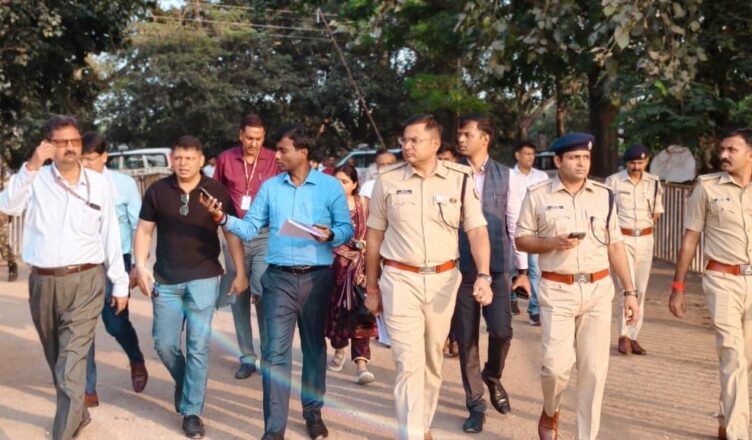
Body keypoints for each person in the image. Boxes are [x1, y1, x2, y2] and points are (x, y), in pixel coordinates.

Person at [201, 125, 354, 440]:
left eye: (283, 150)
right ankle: (274, 429)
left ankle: (313, 413)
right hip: (278, 280)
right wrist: (222, 219)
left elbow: (346, 228)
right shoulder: (270, 188)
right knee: (274, 353)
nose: (277, 156)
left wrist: (331, 234)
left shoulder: (329, 187)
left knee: (313, 349)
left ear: (303, 152)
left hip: (317, 279)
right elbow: (251, 227)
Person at [0, 115, 129, 440]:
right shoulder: (35, 179)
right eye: (62, 142)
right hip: (43, 282)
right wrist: (32, 165)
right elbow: (8, 206)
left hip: (87, 281)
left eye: (75, 141)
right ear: (49, 145)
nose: (70, 147)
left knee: (71, 361)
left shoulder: (99, 183)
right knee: (57, 357)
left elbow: (110, 234)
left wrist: (120, 282)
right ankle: (78, 414)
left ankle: (63, 433)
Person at [365, 113, 493, 440]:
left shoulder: (459, 178)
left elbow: (476, 230)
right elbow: (374, 236)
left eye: (414, 140)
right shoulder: (388, 180)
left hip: (442, 281)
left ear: (435, 144)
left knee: (432, 360)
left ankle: (422, 425)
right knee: (407, 362)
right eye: (404, 140)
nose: (406, 146)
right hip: (399, 279)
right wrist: (371, 288)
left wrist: (483, 275)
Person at [515, 132, 639, 440]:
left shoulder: (604, 195)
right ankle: (550, 409)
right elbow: (522, 240)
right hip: (557, 290)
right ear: (558, 161)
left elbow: (615, 245)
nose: (581, 163)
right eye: (574, 158)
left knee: (594, 373)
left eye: (585, 157)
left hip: (598, 291)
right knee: (555, 369)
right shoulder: (538, 194)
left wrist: (630, 291)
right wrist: (551, 242)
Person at [133, 135, 248, 439]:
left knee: (198, 347)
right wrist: (141, 266)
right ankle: (185, 384)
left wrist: (240, 272)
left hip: (204, 278)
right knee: (164, 344)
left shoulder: (216, 191)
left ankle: (192, 411)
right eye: (178, 158)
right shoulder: (158, 190)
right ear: (172, 160)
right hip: (166, 279)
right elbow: (144, 230)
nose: (183, 163)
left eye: (189, 158)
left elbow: (231, 234)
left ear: (200, 160)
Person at [669, 128, 752, 440]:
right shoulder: (707, 186)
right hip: (722, 280)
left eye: (732, 150)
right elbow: (690, 238)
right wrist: (678, 286)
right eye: (723, 149)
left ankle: (725, 417)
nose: (724, 155)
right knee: (732, 353)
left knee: (746, 359)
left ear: (750, 155)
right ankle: (738, 433)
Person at [452, 115, 530, 434]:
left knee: (501, 332)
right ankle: (476, 405)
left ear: (485, 139)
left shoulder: (507, 176)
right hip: (460, 269)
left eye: (467, 134)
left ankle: (493, 375)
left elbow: (514, 224)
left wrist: (522, 270)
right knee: (466, 339)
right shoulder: (450, 173)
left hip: (497, 267)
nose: (460, 139)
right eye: (459, 134)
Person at [80, 132, 148, 408]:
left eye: (90, 159)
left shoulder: (123, 184)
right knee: (82, 325)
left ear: (104, 156)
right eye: (81, 159)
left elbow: (140, 226)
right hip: (84, 263)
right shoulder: (73, 184)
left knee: (115, 323)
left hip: (117, 260)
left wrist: (137, 266)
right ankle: (87, 389)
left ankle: (136, 358)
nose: (85, 165)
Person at [213, 114, 280, 379]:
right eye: (249, 138)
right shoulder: (225, 159)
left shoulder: (273, 159)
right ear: (240, 135)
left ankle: (268, 356)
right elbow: (216, 194)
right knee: (239, 294)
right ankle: (247, 357)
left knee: (263, 292)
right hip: (234, 234)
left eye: (258, 138)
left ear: (264, 137)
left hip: (264, 234)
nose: (253, 143)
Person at [605, 143, 663, 355]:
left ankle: (633, 335)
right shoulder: (613, 182)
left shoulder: (654, 182)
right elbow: (607, 213)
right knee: (626, 288)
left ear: (647, 161)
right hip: (622, 238)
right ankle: (623, 335)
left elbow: (656, 212)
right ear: (626, 163)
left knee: (640, 289)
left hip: (645, 238)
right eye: (632, 163)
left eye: (640, 162)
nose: (637, 167)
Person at [325, 164, 377, 384]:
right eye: (336, 181)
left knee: (362, 314)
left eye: (344, 181)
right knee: (336, 314)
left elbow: (377, 232)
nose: (339, 185)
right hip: (333, 267)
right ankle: (339, 350)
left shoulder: (366, 205)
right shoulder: (326, 206)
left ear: (355, 184)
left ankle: (361, 365)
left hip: (361, 270)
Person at [508, 140, 549, 325]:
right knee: (512, 268)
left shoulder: (541, 176)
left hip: (535, 230)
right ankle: (511, 298)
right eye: (526, 154)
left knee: (535, 270)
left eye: (532, 154)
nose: (530, 157)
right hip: (513, 228)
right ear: (517, 155)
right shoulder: (509, 176)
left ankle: (534, 310)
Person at [0, 159, 17, 281]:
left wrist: (7, 208)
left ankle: (12, 264)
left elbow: (9, 187)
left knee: (2, 240)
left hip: (0, 206)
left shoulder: (2, 164)